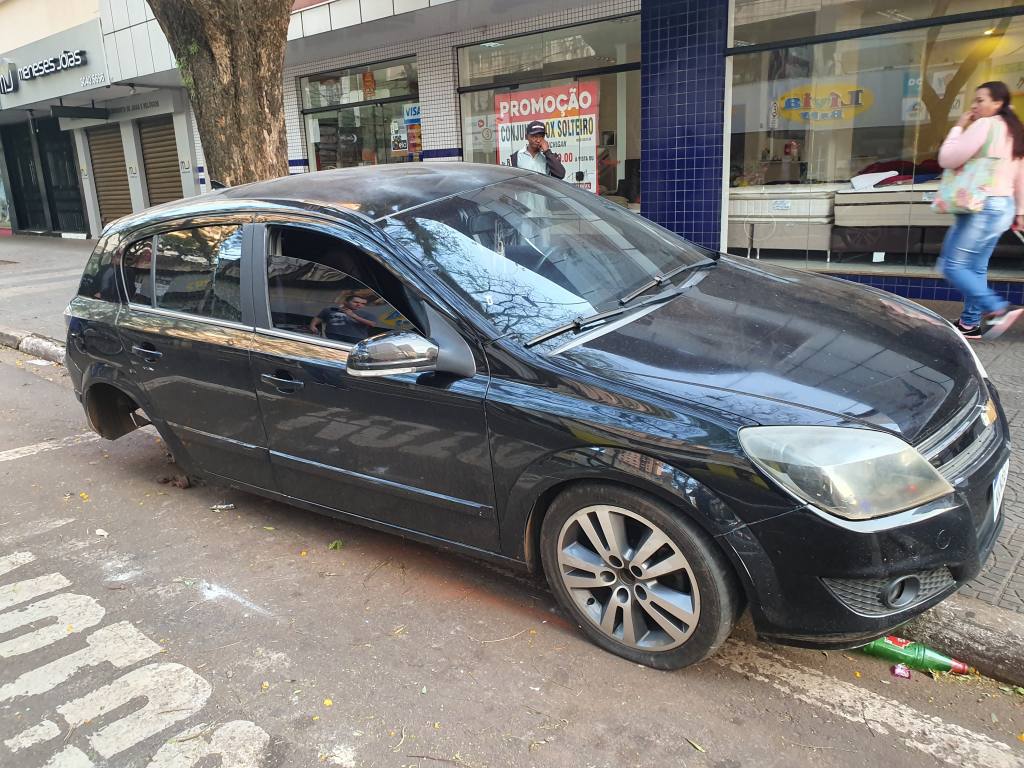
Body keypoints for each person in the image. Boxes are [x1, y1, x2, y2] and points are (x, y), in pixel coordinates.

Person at [938, 80, 1024, 340]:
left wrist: (958, 127)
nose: (974, 105)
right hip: (1003, 207)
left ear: (998, 103)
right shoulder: (1014, 131)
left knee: (951, 265)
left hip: (981, 205)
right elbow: (1021, 175)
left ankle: (998, 308)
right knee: (976, 266)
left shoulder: (985, 125)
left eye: (980, 100)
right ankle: (970, 323)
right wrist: (1021, 212)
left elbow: (947, 158)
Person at [310, 294, 378, 342]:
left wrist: (354, 316)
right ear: (346, 302)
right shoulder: (331, 309)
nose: (359, 305)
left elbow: (372, 324)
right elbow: (319, 317)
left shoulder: (367, 313)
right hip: (332, 336)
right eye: (355, 302)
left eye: (362, 303)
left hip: (355, 339)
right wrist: (313, 325)